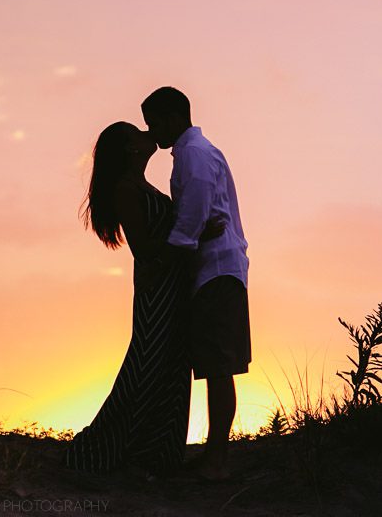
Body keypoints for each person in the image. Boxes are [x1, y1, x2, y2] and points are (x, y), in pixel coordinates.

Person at [65, 122, 222, 476]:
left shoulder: (140, 184)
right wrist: (193, 238)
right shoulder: (125, 189)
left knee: (171, 364)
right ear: (129, 149)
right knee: (149, 363)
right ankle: (108, 447)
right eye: (136, 133)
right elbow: (144, 248)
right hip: (157, 288)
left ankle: (158, 455)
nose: (146, 134)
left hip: (172, 284)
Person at [141, 86, 251, 481]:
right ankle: (213, 455)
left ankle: (217, 460)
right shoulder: (195, 153)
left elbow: (192, 216)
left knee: (219, 365)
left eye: (153, 122)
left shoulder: (193, 155)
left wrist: (170, 255)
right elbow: (199, 219)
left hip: (216, 269)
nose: (150, 131)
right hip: (216, 268)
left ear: (172, 117)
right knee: (213, 364)